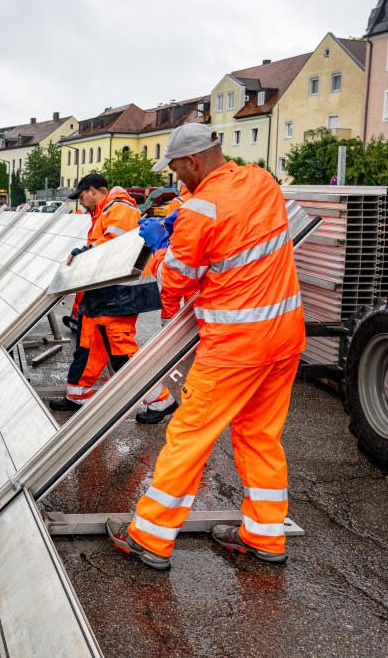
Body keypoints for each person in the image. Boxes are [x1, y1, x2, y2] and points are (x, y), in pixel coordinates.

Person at [106, 122, 305, 570]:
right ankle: (265, 536)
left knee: (189, 438)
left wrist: (164, 248)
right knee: (260, 436)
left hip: (235, 346)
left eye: (177, 169)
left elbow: (175, 287)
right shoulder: (261, 181)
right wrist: (186, 220)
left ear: (192, 161)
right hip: (285, 337)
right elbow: (237, 227)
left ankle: (150, 537)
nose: (177, 179)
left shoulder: (199, 212)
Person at [47, 173, 176, 423]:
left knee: (121, 354)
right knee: (88, 343)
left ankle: (161, 400)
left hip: (120, 292)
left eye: (82, 196)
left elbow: (112, 247)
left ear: (93, 191)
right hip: (106, 290)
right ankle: (78, 394)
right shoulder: (104, 212)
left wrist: (85, 253)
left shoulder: (120, 207)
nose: (81, 202)